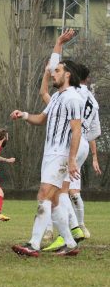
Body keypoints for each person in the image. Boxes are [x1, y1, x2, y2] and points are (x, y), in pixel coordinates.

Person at [10, 59, 85, 257]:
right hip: (50, 154)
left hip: (60, 155)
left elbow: (76, 131)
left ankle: (33, 245)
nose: (53, 74)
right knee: (54, 201)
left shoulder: (73, 98)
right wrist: (24, 114)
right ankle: (70, 243)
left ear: (67, 74)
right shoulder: (57, 98)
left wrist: (71, 160)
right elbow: (42, 119)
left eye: (57, 70)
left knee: (43, 195)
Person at [39, 30, 101, 250]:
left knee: (58, 191)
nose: (57, 72)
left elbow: (50, 69)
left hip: (69, 143)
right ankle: (72, 229)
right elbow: (95, 133)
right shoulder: (92, 99)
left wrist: (58, 43)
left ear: (69, 74)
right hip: (83, 142)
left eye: (61, 70)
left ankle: (70, 231)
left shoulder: (70, 93)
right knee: (64, 190)